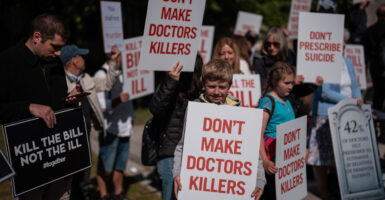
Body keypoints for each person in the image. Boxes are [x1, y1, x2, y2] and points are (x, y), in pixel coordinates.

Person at [0, 13, 80, 200]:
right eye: (55, 46)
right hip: (30, 164)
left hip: (60, 158)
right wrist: (28, 107)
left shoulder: (55, 63)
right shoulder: (7, 61)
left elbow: (56, 103)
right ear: (37, 37)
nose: (59, 53)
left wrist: (69, 100)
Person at [173, 59, 266, 200]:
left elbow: (252, 153)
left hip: (228, 188)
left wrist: (259, 180)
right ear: (204, 84)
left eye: (222, 87)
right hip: (201, 187)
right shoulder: (195, 109)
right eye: (212, 86)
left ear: (230, 86)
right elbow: (182, 147)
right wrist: (177, 173)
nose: (217, 92)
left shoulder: (241, 112)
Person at [60, 44, 121, 200]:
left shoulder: (86, 78)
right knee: (69, 180)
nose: (84, 59)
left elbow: (107, 83)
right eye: (81, 56)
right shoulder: (60, 82)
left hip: (85, 135)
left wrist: (113, 62)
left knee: (85, 178)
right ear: (73, 60)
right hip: (68, 139)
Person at [307, 31, 363, 198]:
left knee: (341, 153)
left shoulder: (348, 62)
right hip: (326, 114)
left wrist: (358, 99)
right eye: (340, 42)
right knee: (322, 155)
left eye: (344, 42)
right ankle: (323, 189)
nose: (343, 45)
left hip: (347, 113)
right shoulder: (324, 63)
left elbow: (355, 84)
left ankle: (340, 187)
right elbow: (325, 92)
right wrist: (350, 100)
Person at [149, 55, 203, 200]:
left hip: (194, 157)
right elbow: (156, 109)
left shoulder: (202, 92)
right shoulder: (168, 86)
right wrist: (171, 81)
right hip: (170, 155)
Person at [94, 52, 134, 200]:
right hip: (110, 128)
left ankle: (118, 193)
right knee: (105, 164)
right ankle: (104, 195)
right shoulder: (100, 74)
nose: (126, 60)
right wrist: (117, 100)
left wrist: (131, 118)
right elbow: (99, 105)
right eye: (122, 57)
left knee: (120, 164)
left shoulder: (123, 74)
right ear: (114, 58)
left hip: (125, 127)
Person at [257, 62, 296, 200]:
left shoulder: (287, 99)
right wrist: (266, 161)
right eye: (286, 83)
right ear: (275, 82)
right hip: (272, 160)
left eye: (292, 83)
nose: (290, 86)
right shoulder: (268, 102)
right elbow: (258, 134)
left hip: (285, 159)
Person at [363, 4, 385, 111]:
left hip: (374, 66)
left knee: (378, 93)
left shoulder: (370, 30)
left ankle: (377, 119)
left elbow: (365, 51)